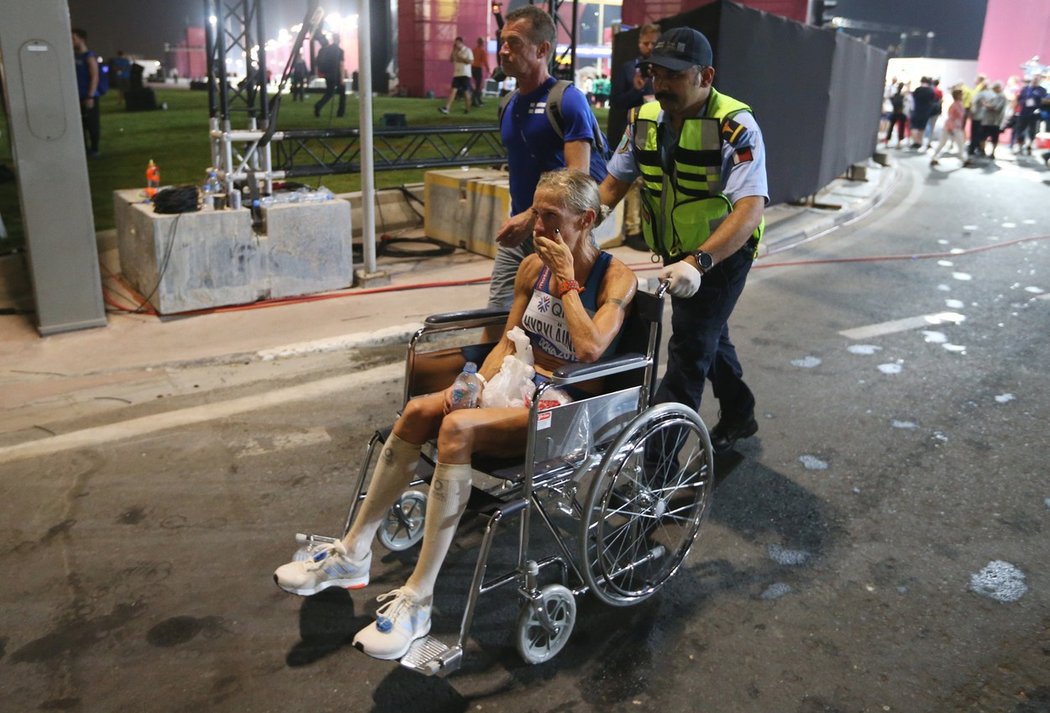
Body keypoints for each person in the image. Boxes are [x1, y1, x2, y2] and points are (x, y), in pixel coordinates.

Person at [274, 169, 638, 660]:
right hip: (517, 382)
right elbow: (509, 343)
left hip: (566, 404)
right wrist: (478, 385)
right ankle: (353, 553)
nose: (537, 225)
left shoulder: (616, 278)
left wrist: (571, 284)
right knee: (422, 410)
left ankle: (419, 598)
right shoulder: (532, 269)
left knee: (456, 428)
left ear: (586, 219)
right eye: (535, 212)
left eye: (550, 217)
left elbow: (591, 347)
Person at [598, 27, 767, 453]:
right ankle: (740, 413)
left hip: (722, 256)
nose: (662, 84)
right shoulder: (644, 119)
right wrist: (582, 221)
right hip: (677, 252)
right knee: (710, 335)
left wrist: (699, 263)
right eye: (656, 73)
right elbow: (613, 183)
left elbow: (749, 209)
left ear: (705, 76)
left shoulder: (735, 126)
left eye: (674, 75)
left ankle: (656, 480)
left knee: (688, 351)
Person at [488, 5, 608, 310]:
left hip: (562, 237)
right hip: (520, 235)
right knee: (499, 314)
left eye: (513, 43)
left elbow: (576, 180)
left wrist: (530, 218)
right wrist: (524, 221)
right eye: (502, 42)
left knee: (564, 321)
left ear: (542, 49)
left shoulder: (567, 101)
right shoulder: (507, 104)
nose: (503, 51)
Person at [609, 23, 661, 250]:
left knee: (654, 180)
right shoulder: (628, 68)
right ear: (639, 42)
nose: (648, 47)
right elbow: (616, 101)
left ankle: (653, 229)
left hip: (660, 130)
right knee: (632, 179)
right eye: (645, 43)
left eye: (652, 43)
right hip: (634, 128)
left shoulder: (664, 68)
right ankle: (633, 230)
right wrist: (637, 90)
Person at [72, 28, 101, 158]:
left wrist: (90, 95)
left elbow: (94, 76)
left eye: (74, 39)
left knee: (92, 124)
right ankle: (83, 150)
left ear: (82, 40)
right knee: (79, 126)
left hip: (88, 96)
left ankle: (94, 149)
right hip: (75, 96)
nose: (71, 41)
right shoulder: (71, 56)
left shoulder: (89, 56)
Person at [930, 88, 967, 167]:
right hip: (952, 127)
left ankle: (962, 158)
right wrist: (950, 127)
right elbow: (951, 117)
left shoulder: (959, 104)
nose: (962, 96)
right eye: (961, 94)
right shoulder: (955, 105)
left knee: (959, 142)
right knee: (945, 142)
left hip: (955, 127)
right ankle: (934, 157)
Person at [313, 34, 345, 118]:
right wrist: (342, 78)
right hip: (336, 75)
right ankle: (340, 113)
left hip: (328, 75)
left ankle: (319, 105)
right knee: (342, 93)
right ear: (338, 40)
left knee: (329, 93)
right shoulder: (340, 51)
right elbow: (341, 65)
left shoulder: (327, 50)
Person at [439, 37, 473, 115]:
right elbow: (451, 59)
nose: (456, 45)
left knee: (466, 92)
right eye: (455, 43)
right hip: (457, 74)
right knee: (453, 91)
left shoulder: (467, 50)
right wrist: (453, 51)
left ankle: (468, 108)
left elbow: (470, 61)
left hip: (465, 74)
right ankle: (447, 108)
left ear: (461, 42)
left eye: (457, 43)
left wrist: (461, 58)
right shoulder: (456, 51)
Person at [1015, 74, 1047, 154]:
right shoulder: (1025, 89)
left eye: (1037, 79)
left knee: (1032, 131)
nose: (1035, 80)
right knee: (1020, 130)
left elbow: (1044, 100)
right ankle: (1019, 146)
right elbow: (1019, 99)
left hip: (1034, 114)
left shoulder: (1042, 90)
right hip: (1023, 113)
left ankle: (1029, 146)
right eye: (1034, 79)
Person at [909, 77, 935, 149]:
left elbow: (913, 98)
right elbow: (932, 101)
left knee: (913, 126)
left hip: (917, 110)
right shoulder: (930, 90)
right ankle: (919, 142)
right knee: (922, 127)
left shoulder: (918, 89)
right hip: (926, 112)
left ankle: (915, 141)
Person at [884, 82, 908, 147]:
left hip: (895, 112)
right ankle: (898, 143)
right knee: (900, 128)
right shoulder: (902, 96)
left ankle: (888, 141)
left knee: (891, 127)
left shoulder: (895, 96)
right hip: (899, 113)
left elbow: (889, 99)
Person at [470, 37, 489, 107]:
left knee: (477, 85)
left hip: (472, 68)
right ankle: (475, 101)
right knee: (478, 86)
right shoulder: (482, 51)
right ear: (482, 43)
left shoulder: (474, 50)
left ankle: (478, 100)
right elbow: (485, 61)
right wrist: (488, 69)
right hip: (478, 69)